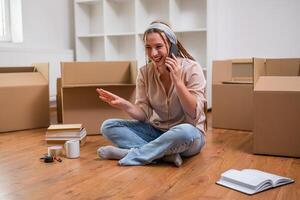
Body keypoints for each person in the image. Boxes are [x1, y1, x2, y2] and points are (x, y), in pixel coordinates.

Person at [96, 21, 207, 167]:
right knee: (108, 126)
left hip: (188, 135)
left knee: (186, 132)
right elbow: (144, 115)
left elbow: (194, 114)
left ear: (172, 45)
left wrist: (179, 83)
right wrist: (125, 105)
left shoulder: (192, 68)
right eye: (148, 47)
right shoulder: (144, 72)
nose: (153, 53)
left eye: (159, 46)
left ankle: (133, 154)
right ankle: (165, 155)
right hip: (157, 132)